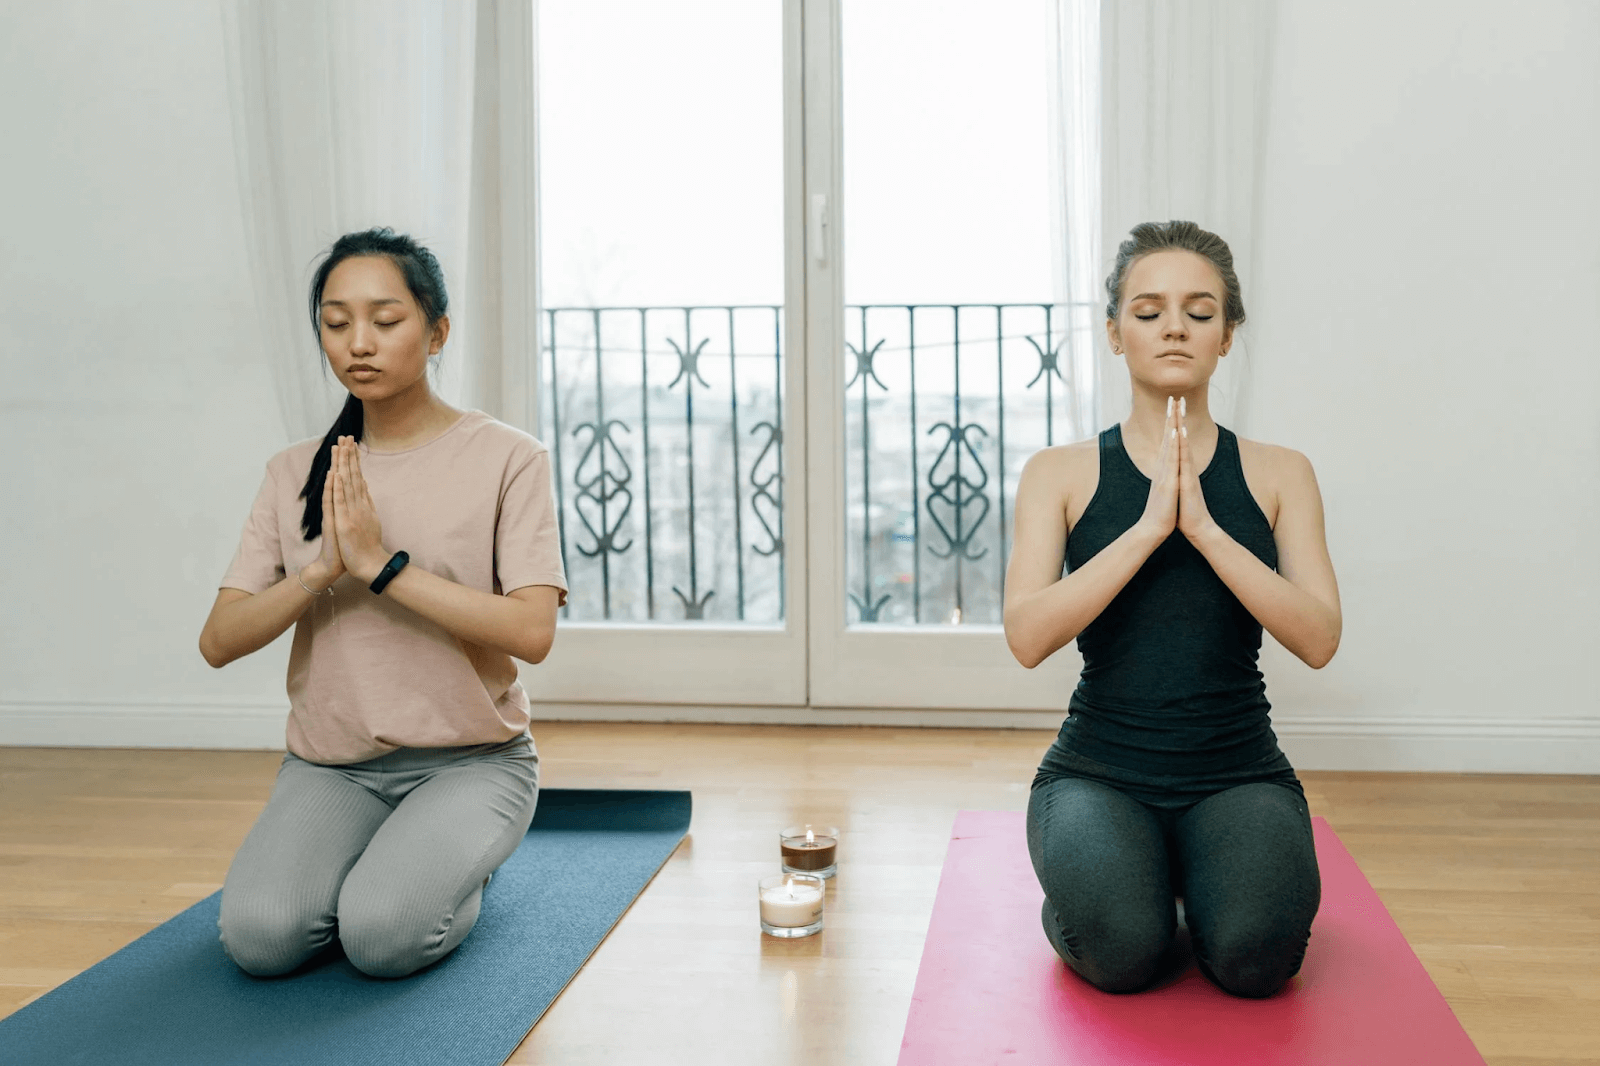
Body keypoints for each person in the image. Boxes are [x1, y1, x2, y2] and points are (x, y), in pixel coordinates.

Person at [198, 228, 568, 978]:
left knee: (381, 939)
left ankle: (454, 864)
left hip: (472, 763)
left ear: (436, 333)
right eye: (336, 324)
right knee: (261, 941)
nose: (357, 342)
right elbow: (219, 640)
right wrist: (322, 572)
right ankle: (390, 858)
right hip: (333, 768)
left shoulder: (508, 458)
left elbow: (532, 631)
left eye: (385, 320)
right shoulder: (294, 471)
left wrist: (381, 568)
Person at [1003, 220, 1341, 998]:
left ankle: (1193, 864)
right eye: (1148, 310)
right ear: (1116, 332)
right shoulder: (1060, 473)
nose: (1175, 328)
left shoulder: (1281, 472)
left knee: (1260, 962)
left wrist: (1207, 530)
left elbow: (1319, 638)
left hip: (1239, 770)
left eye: (1200, 309)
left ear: (1227, 335)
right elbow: (1028, 636)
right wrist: (1152, 526)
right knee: (1121, 954)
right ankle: (1125, 882)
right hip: (1098, 773)